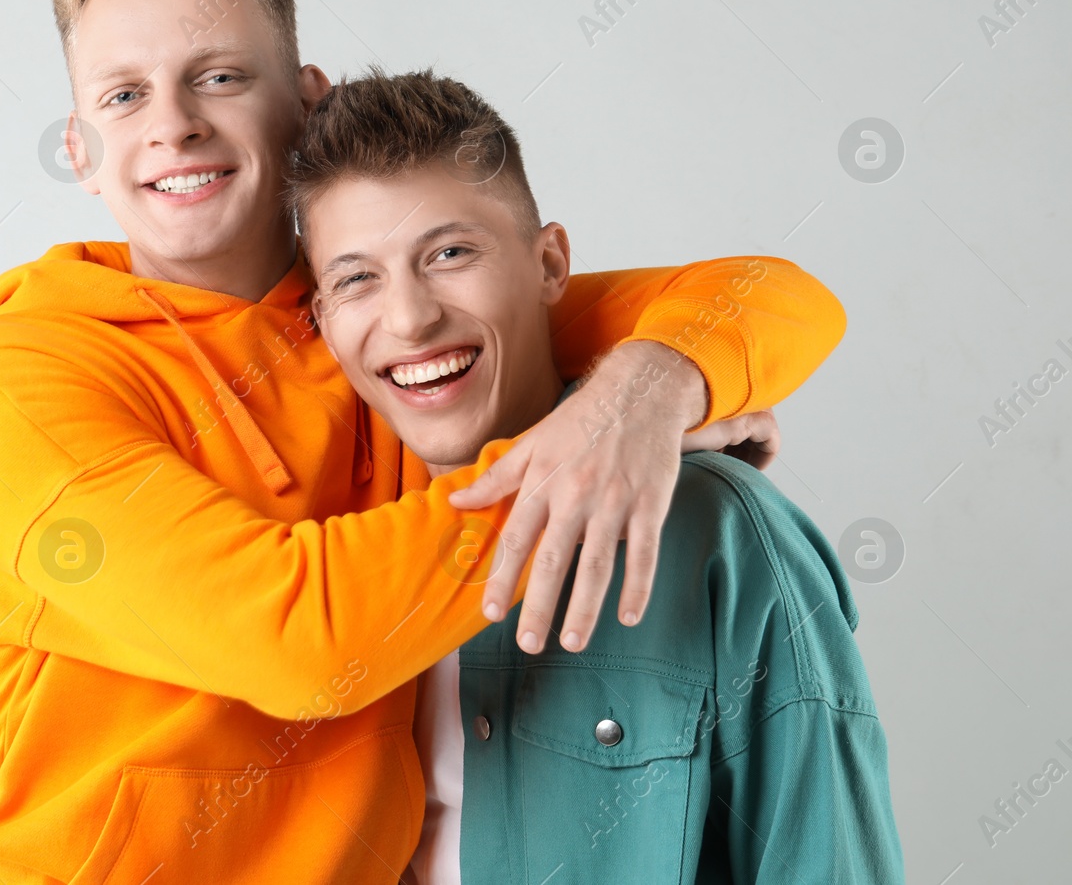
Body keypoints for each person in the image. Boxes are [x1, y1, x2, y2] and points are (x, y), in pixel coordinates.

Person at [0, 0, 848, 883]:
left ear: (306, 101)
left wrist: (653, 384)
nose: (173, 123)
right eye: (124, 95)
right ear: (80, 152)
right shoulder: (12, 379)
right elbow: (302, 641)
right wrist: (588, 444)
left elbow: (766, 297)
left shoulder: (378, 318)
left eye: (218, 76)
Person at [288, 69, 903, 882]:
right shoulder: (316, 539)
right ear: (323, 321)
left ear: (550, 263)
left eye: (449, 252)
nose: (409, 317)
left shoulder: (725, 534)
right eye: (356, 277)